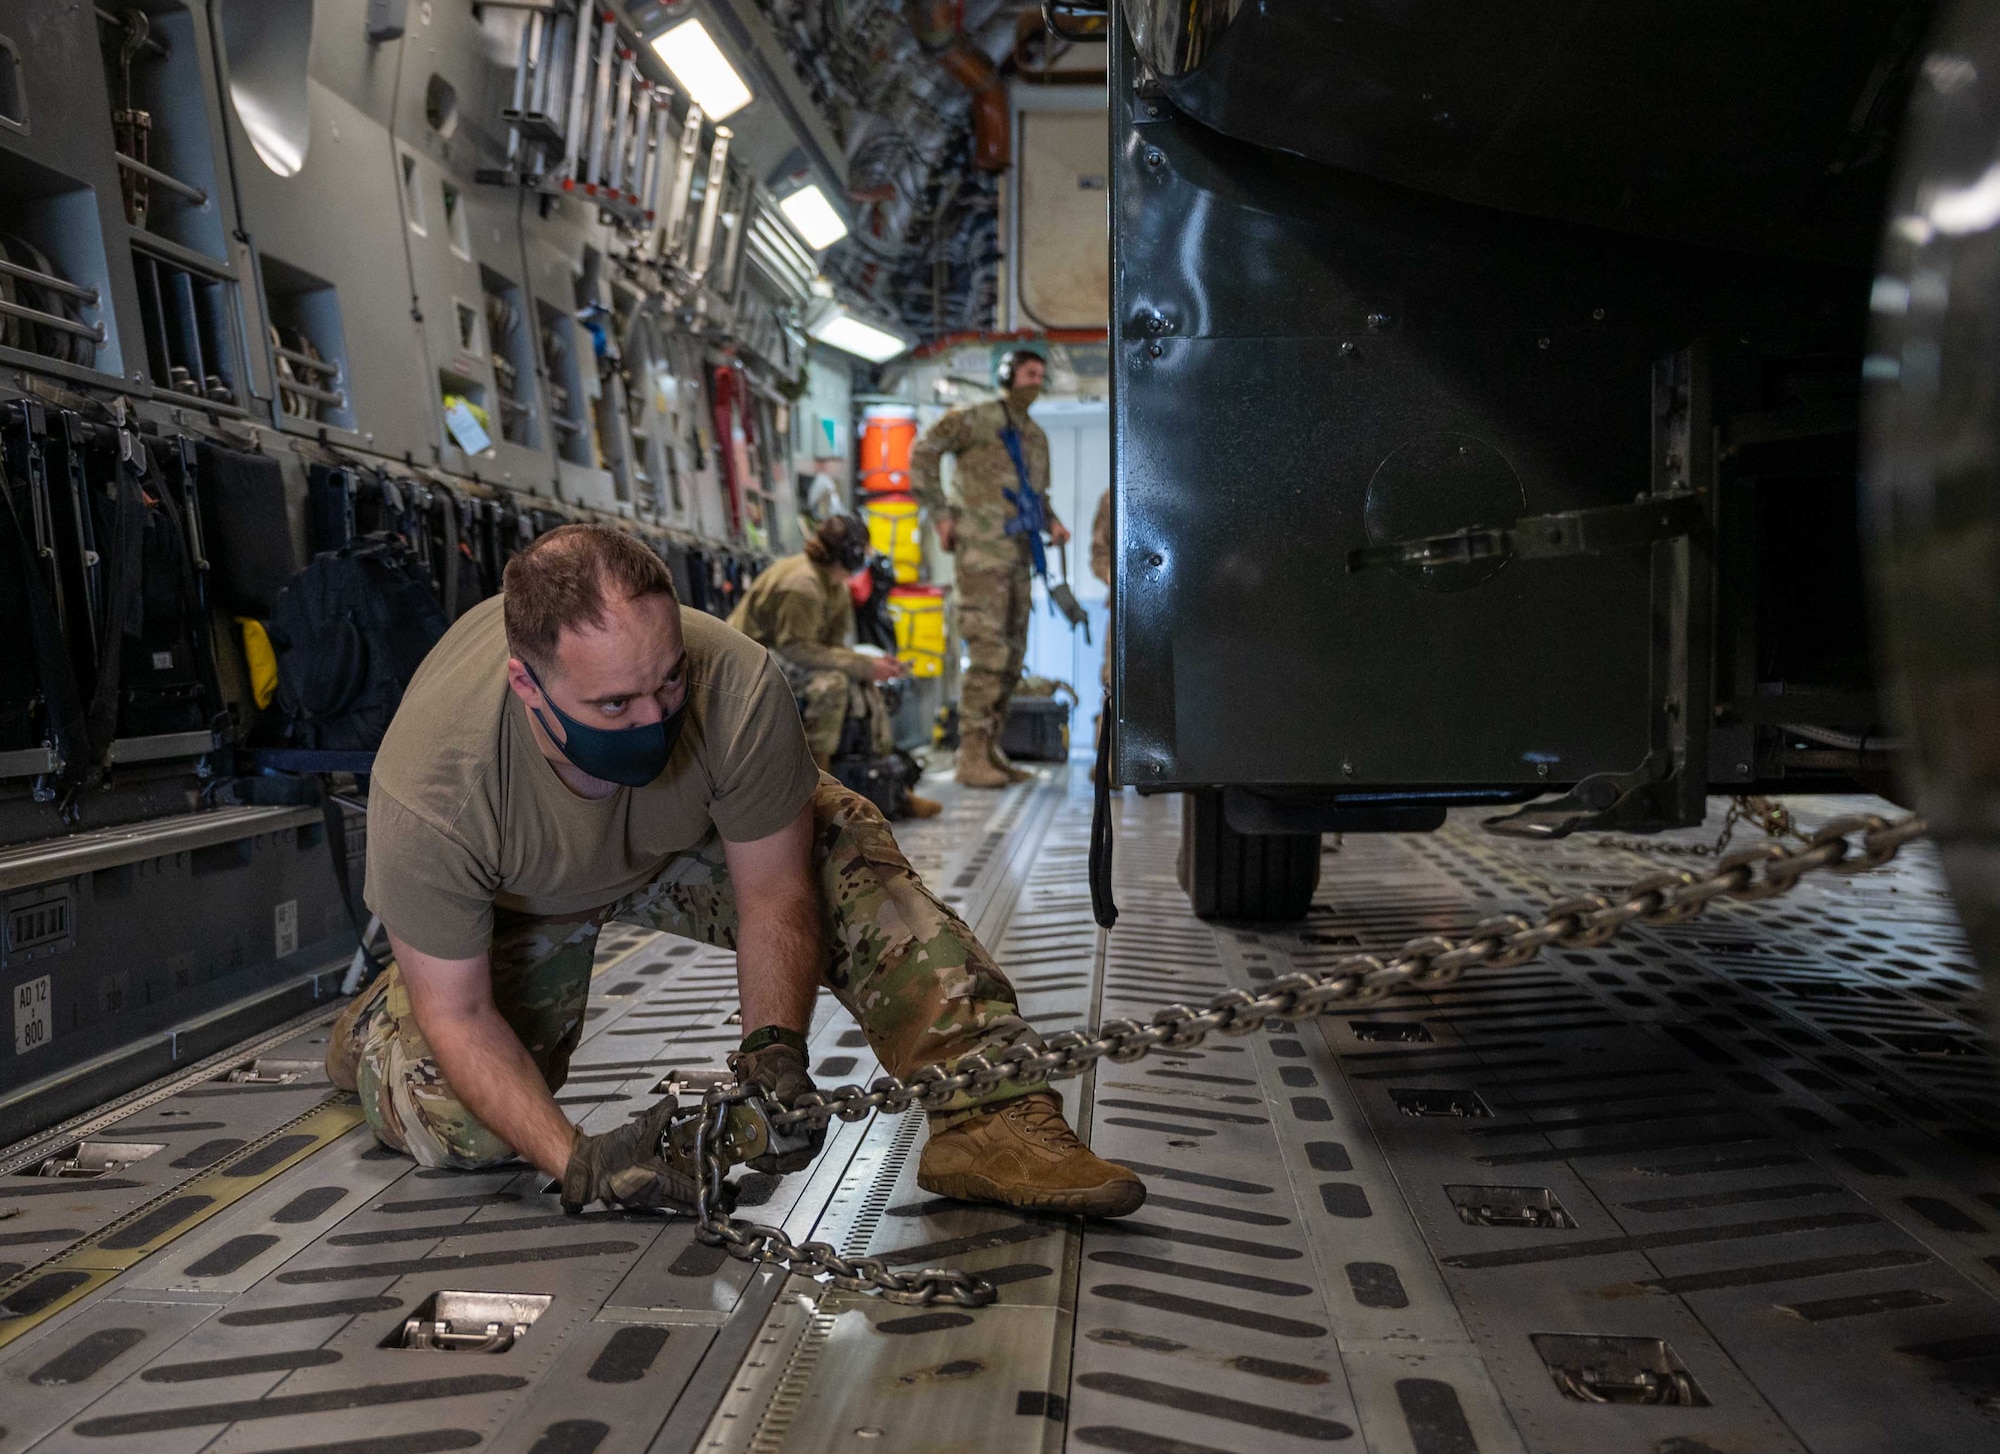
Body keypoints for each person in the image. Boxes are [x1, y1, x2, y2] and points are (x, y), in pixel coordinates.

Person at [325, 525, 1142, 1220]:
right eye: (615, 705)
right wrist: (584, 1163)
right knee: (468, 1130)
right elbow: (463, 1016)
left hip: (681, 838)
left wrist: (774, 1053)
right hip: (522, 894)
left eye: (667, 681)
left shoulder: (735, 682)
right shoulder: (436, 788)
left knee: (840, 847)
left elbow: (776, 894)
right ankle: (373, 1030)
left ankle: (991, 1113)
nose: (653, 718)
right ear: (527, 685)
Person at [909, 348, 1070, 788]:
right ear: (1007, 375)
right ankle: (970, 754)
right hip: (982, 554)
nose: (1036, 382)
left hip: (1020, 556)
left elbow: (1038, 494)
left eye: (1041, 375)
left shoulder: (1034, 436)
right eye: (1028, 373)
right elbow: (925, 449)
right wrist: (940, 513)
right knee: (987, 652)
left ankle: (991, 748)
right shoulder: (976, 418)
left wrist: (1052, 523)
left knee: (1012, 655)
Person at [726, 515, 941, 819]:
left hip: (787, 655)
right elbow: (796, 648)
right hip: (749, 663)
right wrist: (862, 666)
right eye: (864, 552)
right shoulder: (801, 585)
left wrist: (870, 666)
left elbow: (833, 648)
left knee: (862, 684)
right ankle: (816, 792)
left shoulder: (835, 585)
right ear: (852, 553)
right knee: (833, 686)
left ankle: (893, 788)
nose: (868, 558)